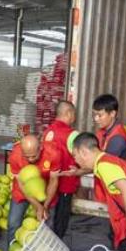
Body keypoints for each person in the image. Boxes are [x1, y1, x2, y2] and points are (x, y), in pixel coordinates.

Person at [6, 134, 62, 245]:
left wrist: (45, 206)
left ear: (40, 147)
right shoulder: (15, 156)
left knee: (47, 224)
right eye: (27, 157)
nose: (30, 159)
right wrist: (37, 206)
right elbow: (22, 185)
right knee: (13, 223)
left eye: (34, 156)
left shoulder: (53, 153)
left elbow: (53, 181)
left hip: (46, 191)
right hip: (22, 192)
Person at [42, 100, 80, 239]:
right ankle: (57, 246)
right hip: (65, 184)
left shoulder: (47, 132)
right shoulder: (73, 135)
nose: (74, 118)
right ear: (68, 113)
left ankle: (45, 242)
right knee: (61, 219)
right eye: (73, 114)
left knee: (47, 215)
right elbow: (81, 159)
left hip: (48, 183)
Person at [92, 94, 126, 163]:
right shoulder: (102, 131)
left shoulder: (118, 139)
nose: (96, 119)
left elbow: (105, 164)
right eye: (95, 115)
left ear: (112, 113)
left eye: (100, 115)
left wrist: (82, 171)